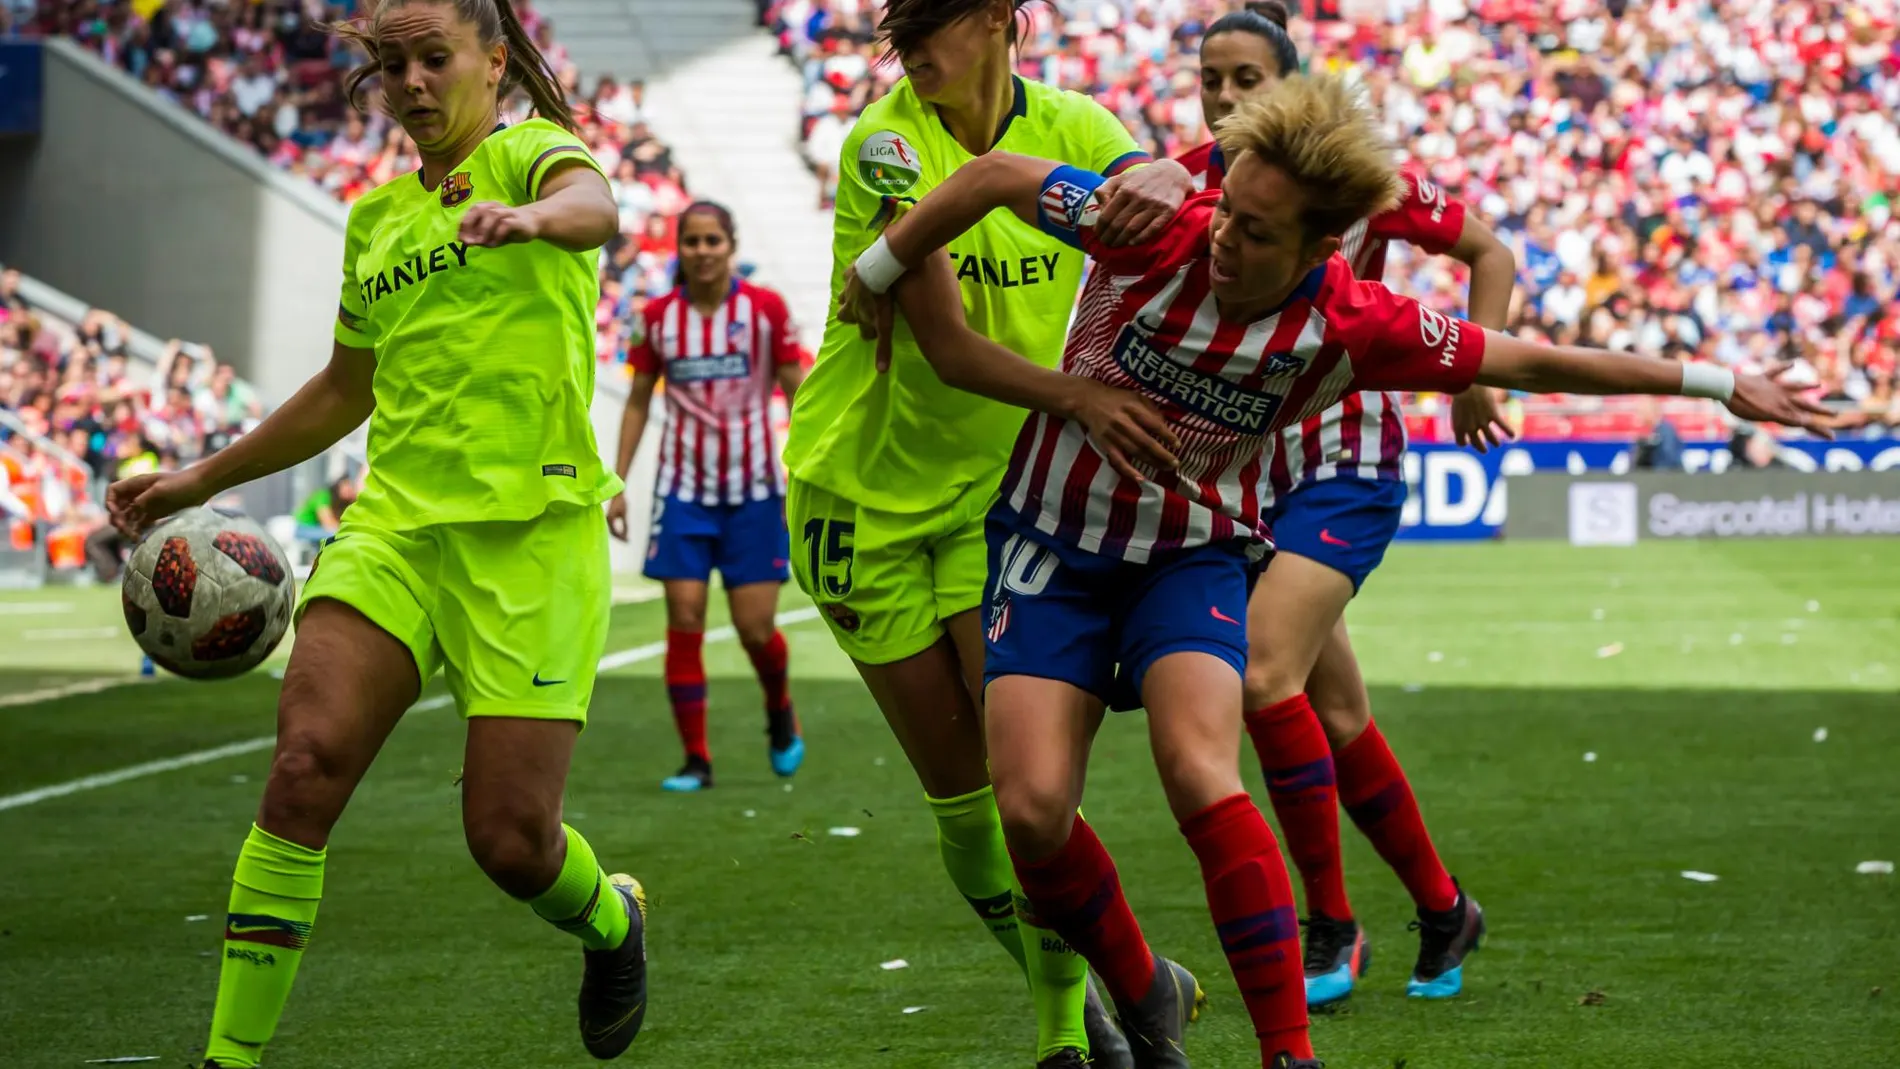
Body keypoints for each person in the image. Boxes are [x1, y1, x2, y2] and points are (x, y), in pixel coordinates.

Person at [842, 72, 1830, 1069]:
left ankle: (1289, 1055)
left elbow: (1528, 359)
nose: (1225, 236)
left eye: (1256, 231)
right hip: (1050, 545)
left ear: (1319, 248)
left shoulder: (1357, 324)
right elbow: (995, 176)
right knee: (1029, 810)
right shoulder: (1155, 222)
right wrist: (877, 271)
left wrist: (1717, 383)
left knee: (1200, 771)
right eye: (1227, 207)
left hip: (1187, 557)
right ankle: (1145, 989)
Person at [104, 0, 650, 1063]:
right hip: (394, 529)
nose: (409, 84)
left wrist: (532, 220)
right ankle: (227, 1056)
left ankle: (614, 923)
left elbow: (596, 205)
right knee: (303, 766)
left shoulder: (535, 156)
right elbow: (342, 390)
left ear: (493, 64)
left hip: (532, 541)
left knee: (510, 841)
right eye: (392, 66)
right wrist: (195, 480)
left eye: (432, 59)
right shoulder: (375, 222)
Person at [780, 1, 1197, 1066]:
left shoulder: (1078, 124)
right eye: (900, 27)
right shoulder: (882, 145)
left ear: (1002, 20)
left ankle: (1073, 1032)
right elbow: (952, 350)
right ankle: (1096, 1001)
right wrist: (1081, 398)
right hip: (855, 497)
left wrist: (1172, 173)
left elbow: (1156, 191)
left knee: (1027, 792)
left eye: (937, 21)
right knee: (961, 800)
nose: (912, 49)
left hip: (997, 499)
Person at [1179, 0, 1522, 1006]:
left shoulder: (1361, 186)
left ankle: (1330, 925)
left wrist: (1473, 375)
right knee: (1333, 711)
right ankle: (1444, 904)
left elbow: (1490, 252)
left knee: (1263, 675)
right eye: (1213, 79)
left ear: (1290, 86)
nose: (1227, 97)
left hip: (1345, 459)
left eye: (1248, 79)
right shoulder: (1189, 188)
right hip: (1247, 474)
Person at [605, 200, 808, 793]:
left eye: (712, 240)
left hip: (754, 493)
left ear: (731, 246)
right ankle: (697, 759)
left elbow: (797, 390)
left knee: (754, 629)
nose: (701, 251)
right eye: (691, 241)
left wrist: (807, 466)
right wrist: (617, 482)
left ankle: (779, 711)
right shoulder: (659, 316)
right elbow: (640, 399)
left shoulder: (765, 309)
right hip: (684, 494)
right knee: (684, 619)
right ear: (679, 249)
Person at [292, 474, 359, 547]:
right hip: (300, 526)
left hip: (314, 529)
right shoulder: (324, 495)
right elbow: (328, 523)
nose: (350, 489)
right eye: (347, 484)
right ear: (339, 484)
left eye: (352, 487)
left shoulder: (343, 504)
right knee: (334, 535)